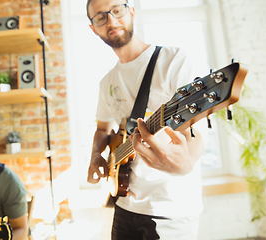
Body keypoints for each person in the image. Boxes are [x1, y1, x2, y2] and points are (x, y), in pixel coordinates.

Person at [86, 0, 206, 239]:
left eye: (116, 10)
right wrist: (96, 156)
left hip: (170, 208)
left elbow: (197, 131)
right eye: (100, 17)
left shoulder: (173, 60)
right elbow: (102, 129)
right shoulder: (106, 82)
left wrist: (188, 162)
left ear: (131, 11)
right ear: (93, 28)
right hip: (124, 203)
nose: (111, 20)